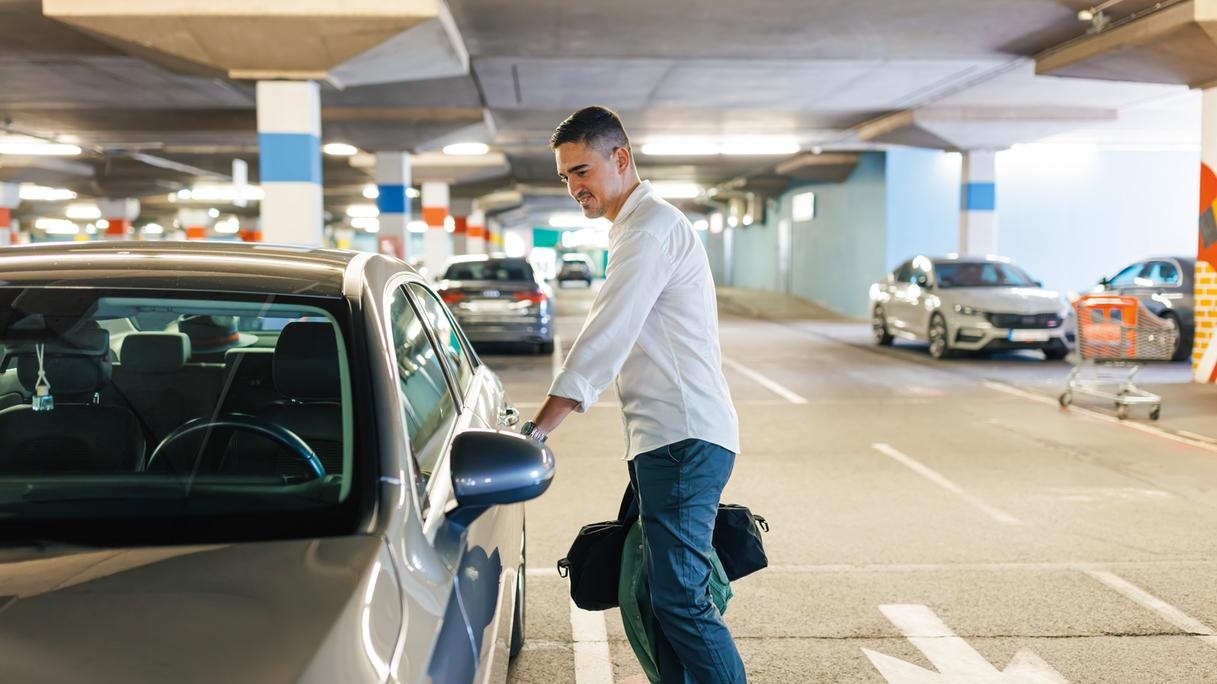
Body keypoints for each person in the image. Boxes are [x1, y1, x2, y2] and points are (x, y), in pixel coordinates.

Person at [519, 106, 746, 684]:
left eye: (582, 170)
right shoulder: (640, 227)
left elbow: (605, 334)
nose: (574, 187)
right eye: (566, 176)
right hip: (670, 437)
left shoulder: (647, 229)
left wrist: (538, 429)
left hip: (682, 437)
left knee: (680, 601)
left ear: (620, 159)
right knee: (657, 596)